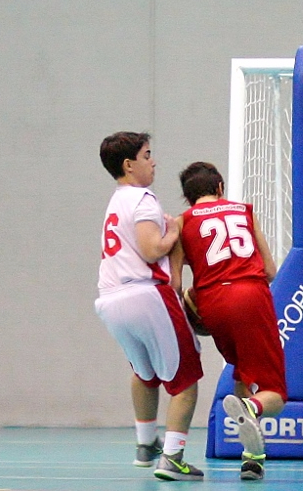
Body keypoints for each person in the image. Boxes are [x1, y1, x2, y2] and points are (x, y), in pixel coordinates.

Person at [96, 132, 204, 482]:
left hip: (110, 299)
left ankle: (146, 445)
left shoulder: (116, 201)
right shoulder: (143, 199)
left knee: (145, 372)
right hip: (144, 294)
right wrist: (174, 231)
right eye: (147, 155)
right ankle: (172, 457)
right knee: (186, 378)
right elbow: (150, 249)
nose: (153, 161)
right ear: (129, 165)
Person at [171, 161, 285, 482]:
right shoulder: (243, 211)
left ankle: (252, 458)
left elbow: (176, 284)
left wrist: (190, 313)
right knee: (274, 393)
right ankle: (252, 409)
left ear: (188, 198)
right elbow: (271, 271)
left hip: (210, 302)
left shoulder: (182, 223)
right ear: (220, 187)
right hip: (250, 294)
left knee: (240, 372)